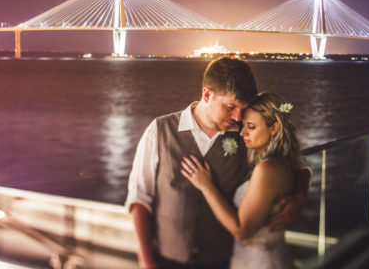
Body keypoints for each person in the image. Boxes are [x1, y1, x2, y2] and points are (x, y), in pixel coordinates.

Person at [125, 57, 309, 269]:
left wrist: (300, 196)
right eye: (230, 106)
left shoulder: (247, 136)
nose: (237, 116)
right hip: (165, 260)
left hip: (222, 262)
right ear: (207, 94)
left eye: (243, 108)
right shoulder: (159, 130)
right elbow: (139, 199)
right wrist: (147, 262)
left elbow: (293, 164)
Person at [181, 92, 304, 269]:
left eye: (251, 127)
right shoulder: (281, 162)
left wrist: (206, 186)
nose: (242, 132)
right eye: (243, 125)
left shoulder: (267, 169)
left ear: (274, 128)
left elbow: (242, 231)